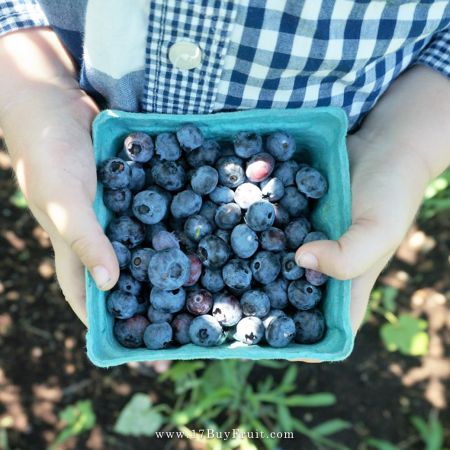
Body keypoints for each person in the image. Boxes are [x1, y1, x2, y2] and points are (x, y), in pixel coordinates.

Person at [0, 1, 449, 341]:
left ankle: (185, 348)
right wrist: (35, 100)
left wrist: (400, 149)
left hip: (345, 134)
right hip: (96, 117)